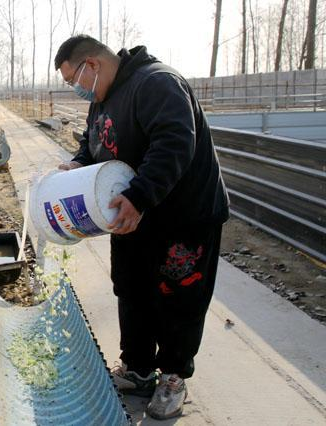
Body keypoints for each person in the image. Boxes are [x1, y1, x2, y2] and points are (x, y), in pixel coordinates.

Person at [53, 35, 229, 420]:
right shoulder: (103, 101)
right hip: (135, 217)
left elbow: (174, 143)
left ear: (93, 65)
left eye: (73, 79)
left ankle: (174, 378)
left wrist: (140, 196)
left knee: (178, 298)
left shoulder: (156, 83)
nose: (75, 89)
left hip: (181, 219)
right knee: (132, 290)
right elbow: (94, 145)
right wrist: (76, 164)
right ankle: (138, 369)